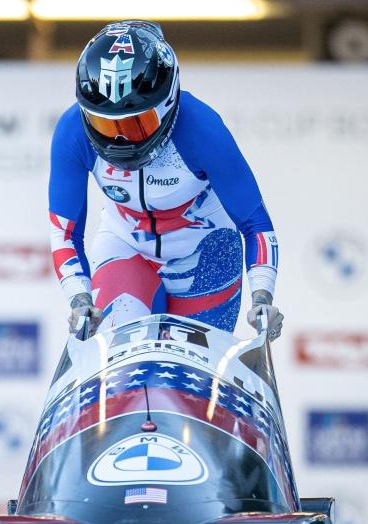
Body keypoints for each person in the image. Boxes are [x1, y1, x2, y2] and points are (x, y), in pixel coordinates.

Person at [48, 20, 283, 340]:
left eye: (137, 125)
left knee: (191, 385)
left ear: (167, 104)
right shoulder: (72, 132)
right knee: (124, 365)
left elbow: (255, 224)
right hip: (125, 246)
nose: (119, 141)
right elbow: (65, 231)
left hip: (207, 257)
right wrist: (80, 298)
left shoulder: (203, 130)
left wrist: (262, 298)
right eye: (105, 125)